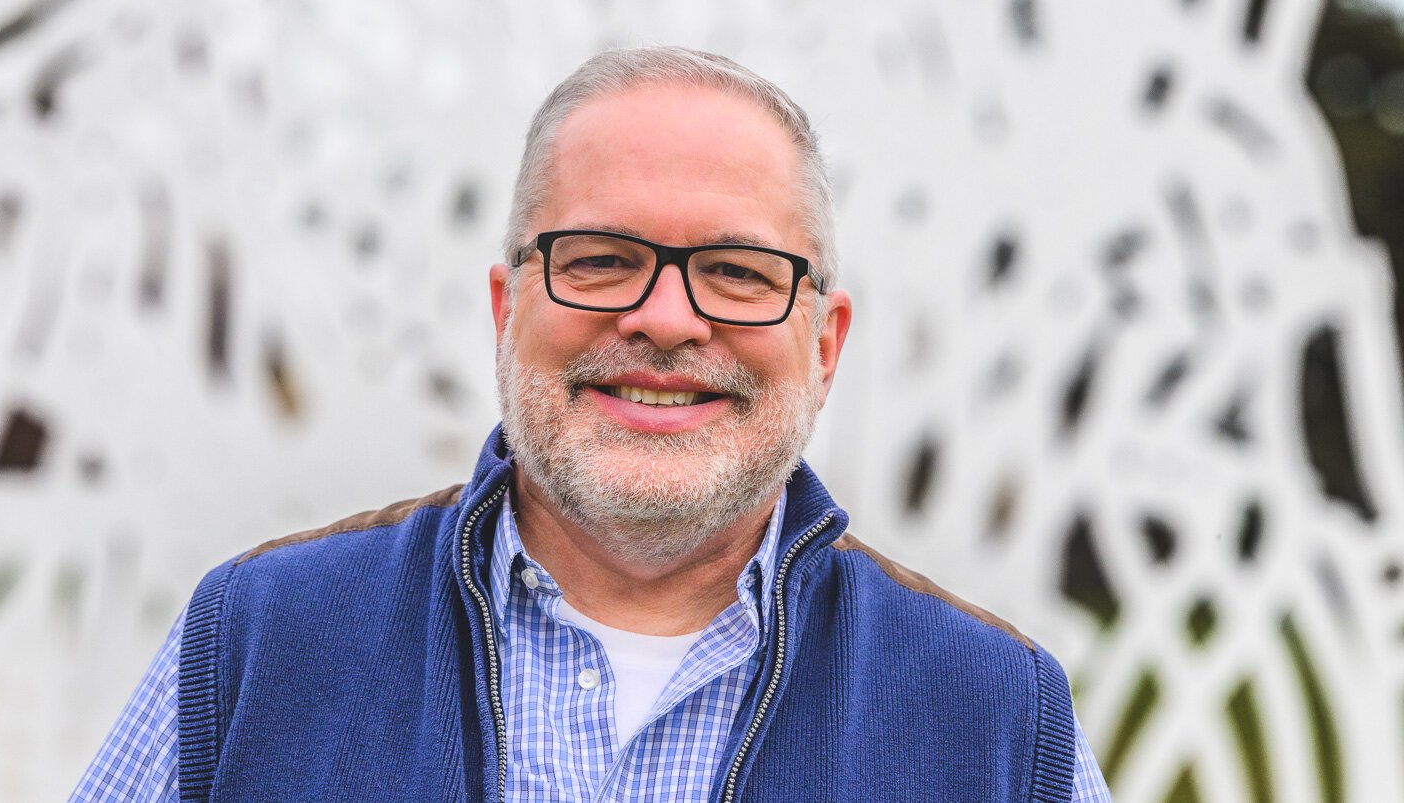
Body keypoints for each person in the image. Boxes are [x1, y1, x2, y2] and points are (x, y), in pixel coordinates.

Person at [73, 47, 1113, 801]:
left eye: (736, 272)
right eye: (600, 258)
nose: (665, 318)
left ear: (825, 342)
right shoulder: (258, 641)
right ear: (504, 307)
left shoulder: (996, 718)